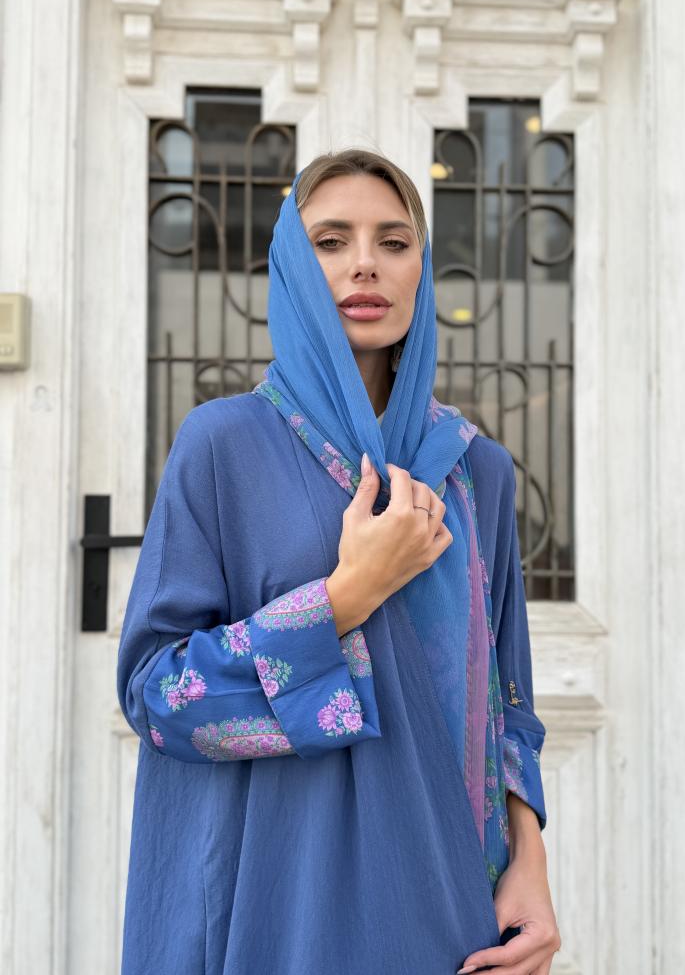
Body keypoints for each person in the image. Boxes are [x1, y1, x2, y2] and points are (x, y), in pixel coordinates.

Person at [117, 149, 560, 975]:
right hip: (279, 889)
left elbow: (510, 702)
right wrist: (348, 595)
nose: (365, 263)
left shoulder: (475, 471)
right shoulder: (223, 446)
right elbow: (155, 694)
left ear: (422, 269)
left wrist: (530, 861)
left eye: (394, 241)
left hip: (449, 892)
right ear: (291, 264)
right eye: (330, 240)